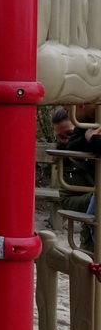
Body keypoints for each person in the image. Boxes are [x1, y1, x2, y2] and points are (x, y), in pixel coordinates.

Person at [64, 104, 100, 251]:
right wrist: (88, 139)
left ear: (80, 106)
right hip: (95, 187)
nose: (70, 116)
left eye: (68, 111)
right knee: (93, 227)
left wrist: (94, 140)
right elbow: (71, 146)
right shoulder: (86, 123)